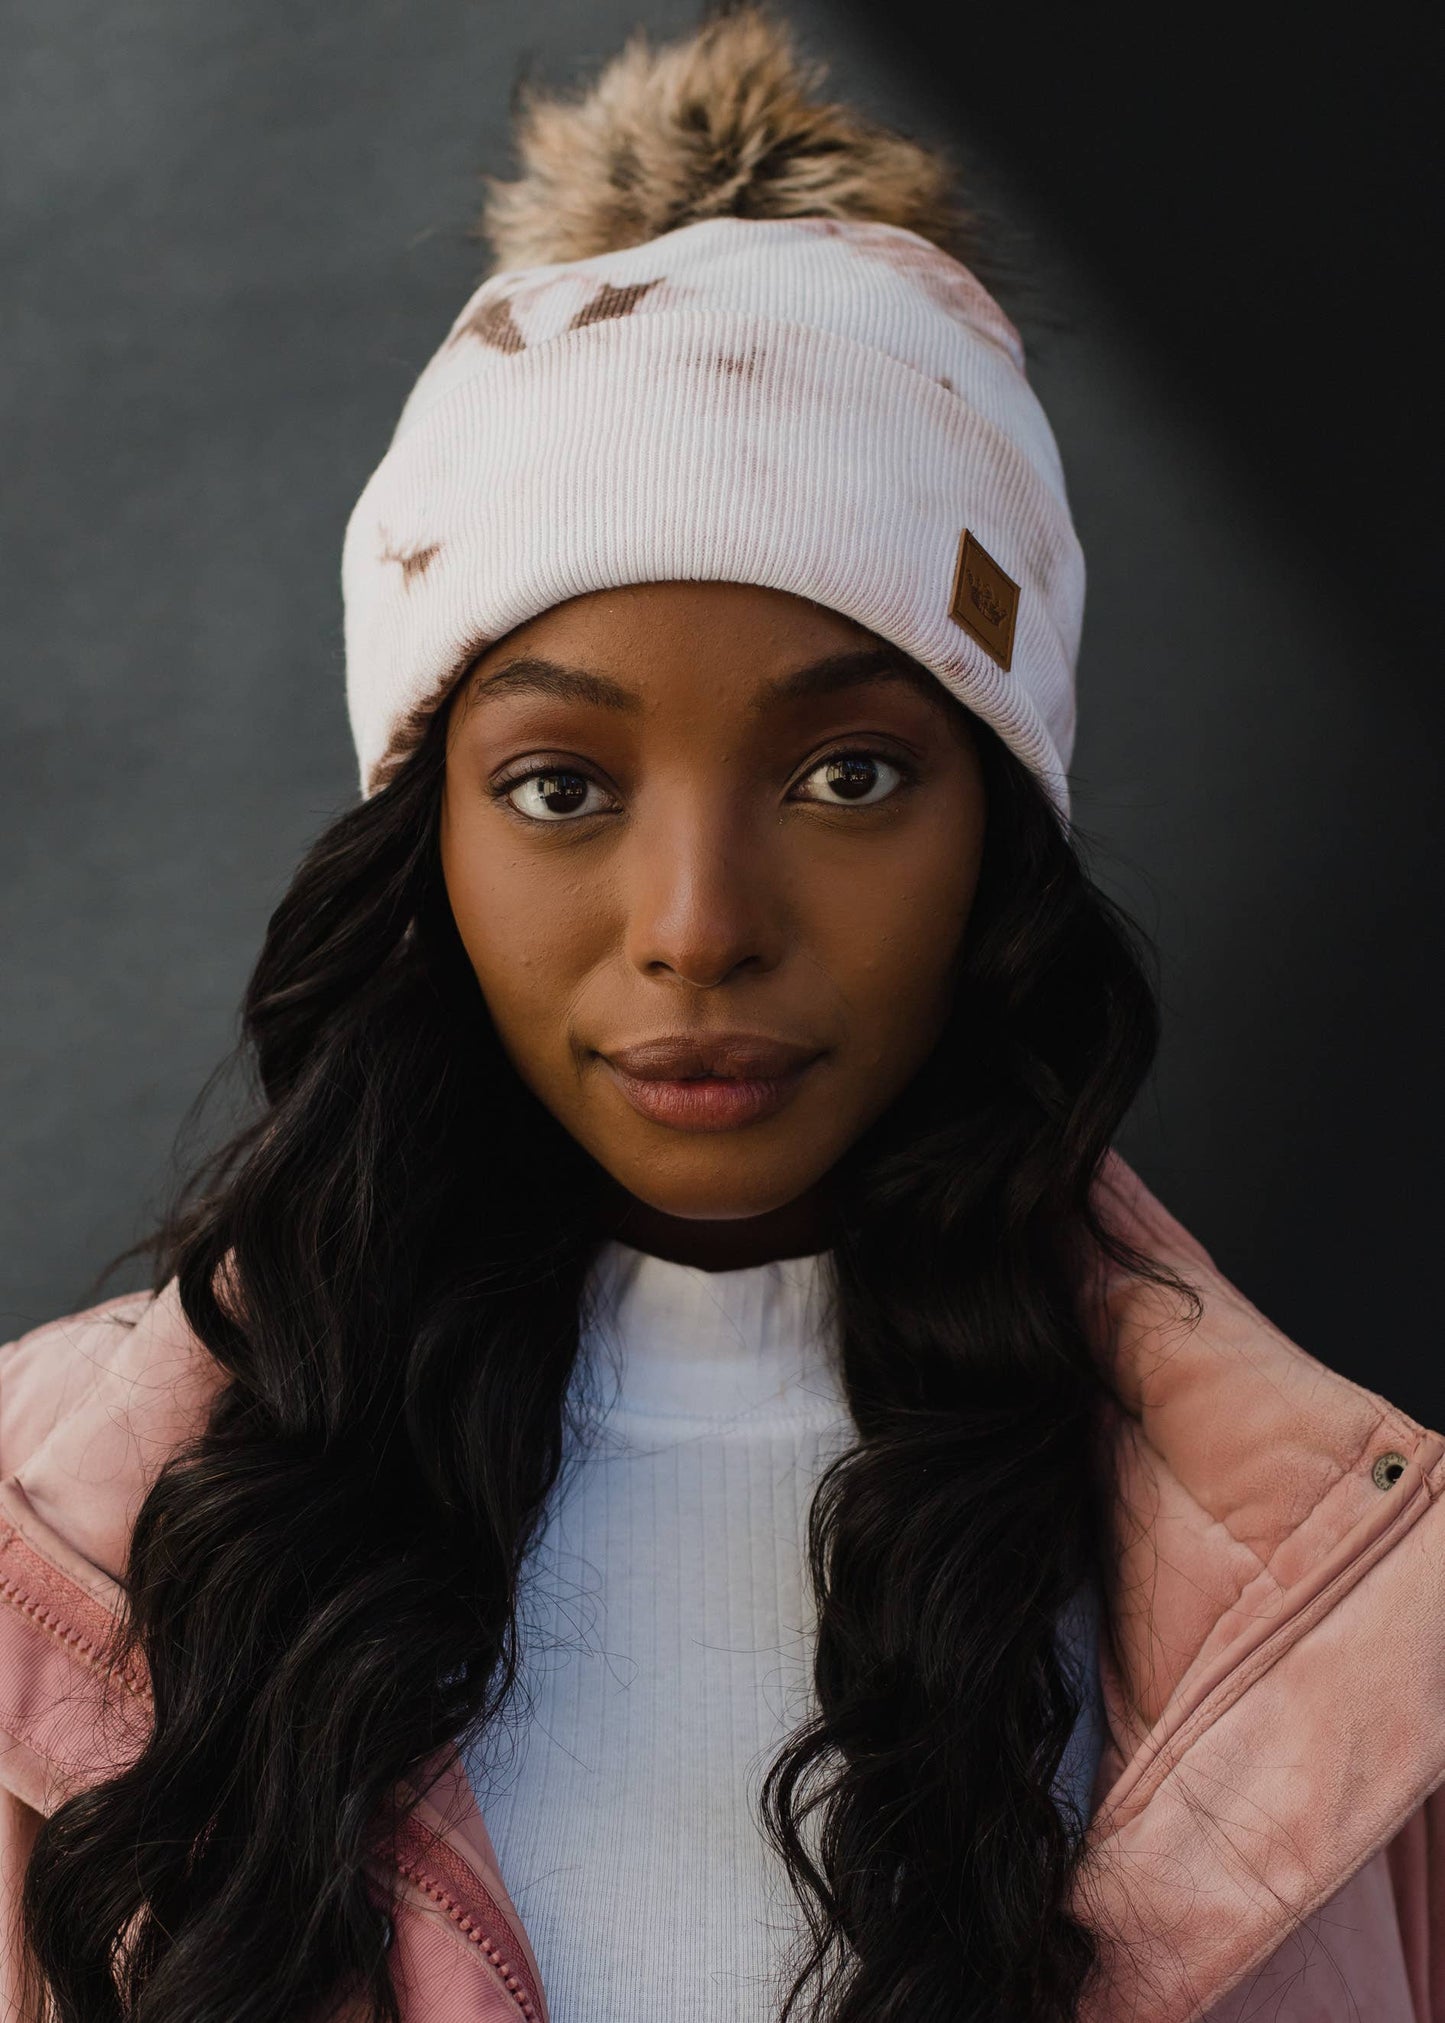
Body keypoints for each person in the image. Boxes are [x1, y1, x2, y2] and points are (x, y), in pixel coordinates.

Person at [2, 11, 1442, 2022]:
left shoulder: (1355, 1610)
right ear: (421, 842)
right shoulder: (44, 1559)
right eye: (561, 787)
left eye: (846, 774)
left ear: (998, 833)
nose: (697, 926)